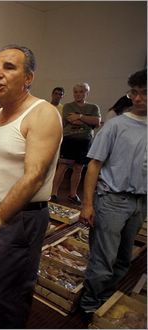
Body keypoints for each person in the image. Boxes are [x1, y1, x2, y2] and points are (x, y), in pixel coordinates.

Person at [0, 45, 62, 328]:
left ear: (28, 77)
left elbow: (34, 177)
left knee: (9, 298)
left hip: (20, 219)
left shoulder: (42, 114)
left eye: (9, 67)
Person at [78, 69, 147, 326]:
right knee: (103, 258)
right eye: (135, 93)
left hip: (141, 202)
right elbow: (94, 166)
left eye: (144, 93)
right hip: (113, 199)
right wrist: (87, 205)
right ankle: (90, 306)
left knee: (124, 257)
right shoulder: (117, 125)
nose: (138, 98)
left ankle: (107, 299)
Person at [50, 82, 101, 205]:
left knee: (79, 168)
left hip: (85, 141)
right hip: (69, 140)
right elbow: (69, 120)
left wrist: (79, 117)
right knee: (63, 167)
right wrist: (87, 122)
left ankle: (73, 194)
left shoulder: (94, 107)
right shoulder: (68, 106)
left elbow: (97, 122)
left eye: (81, 92)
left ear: (86, 93)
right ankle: (53, 193)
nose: (78, 94)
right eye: (76, 92)